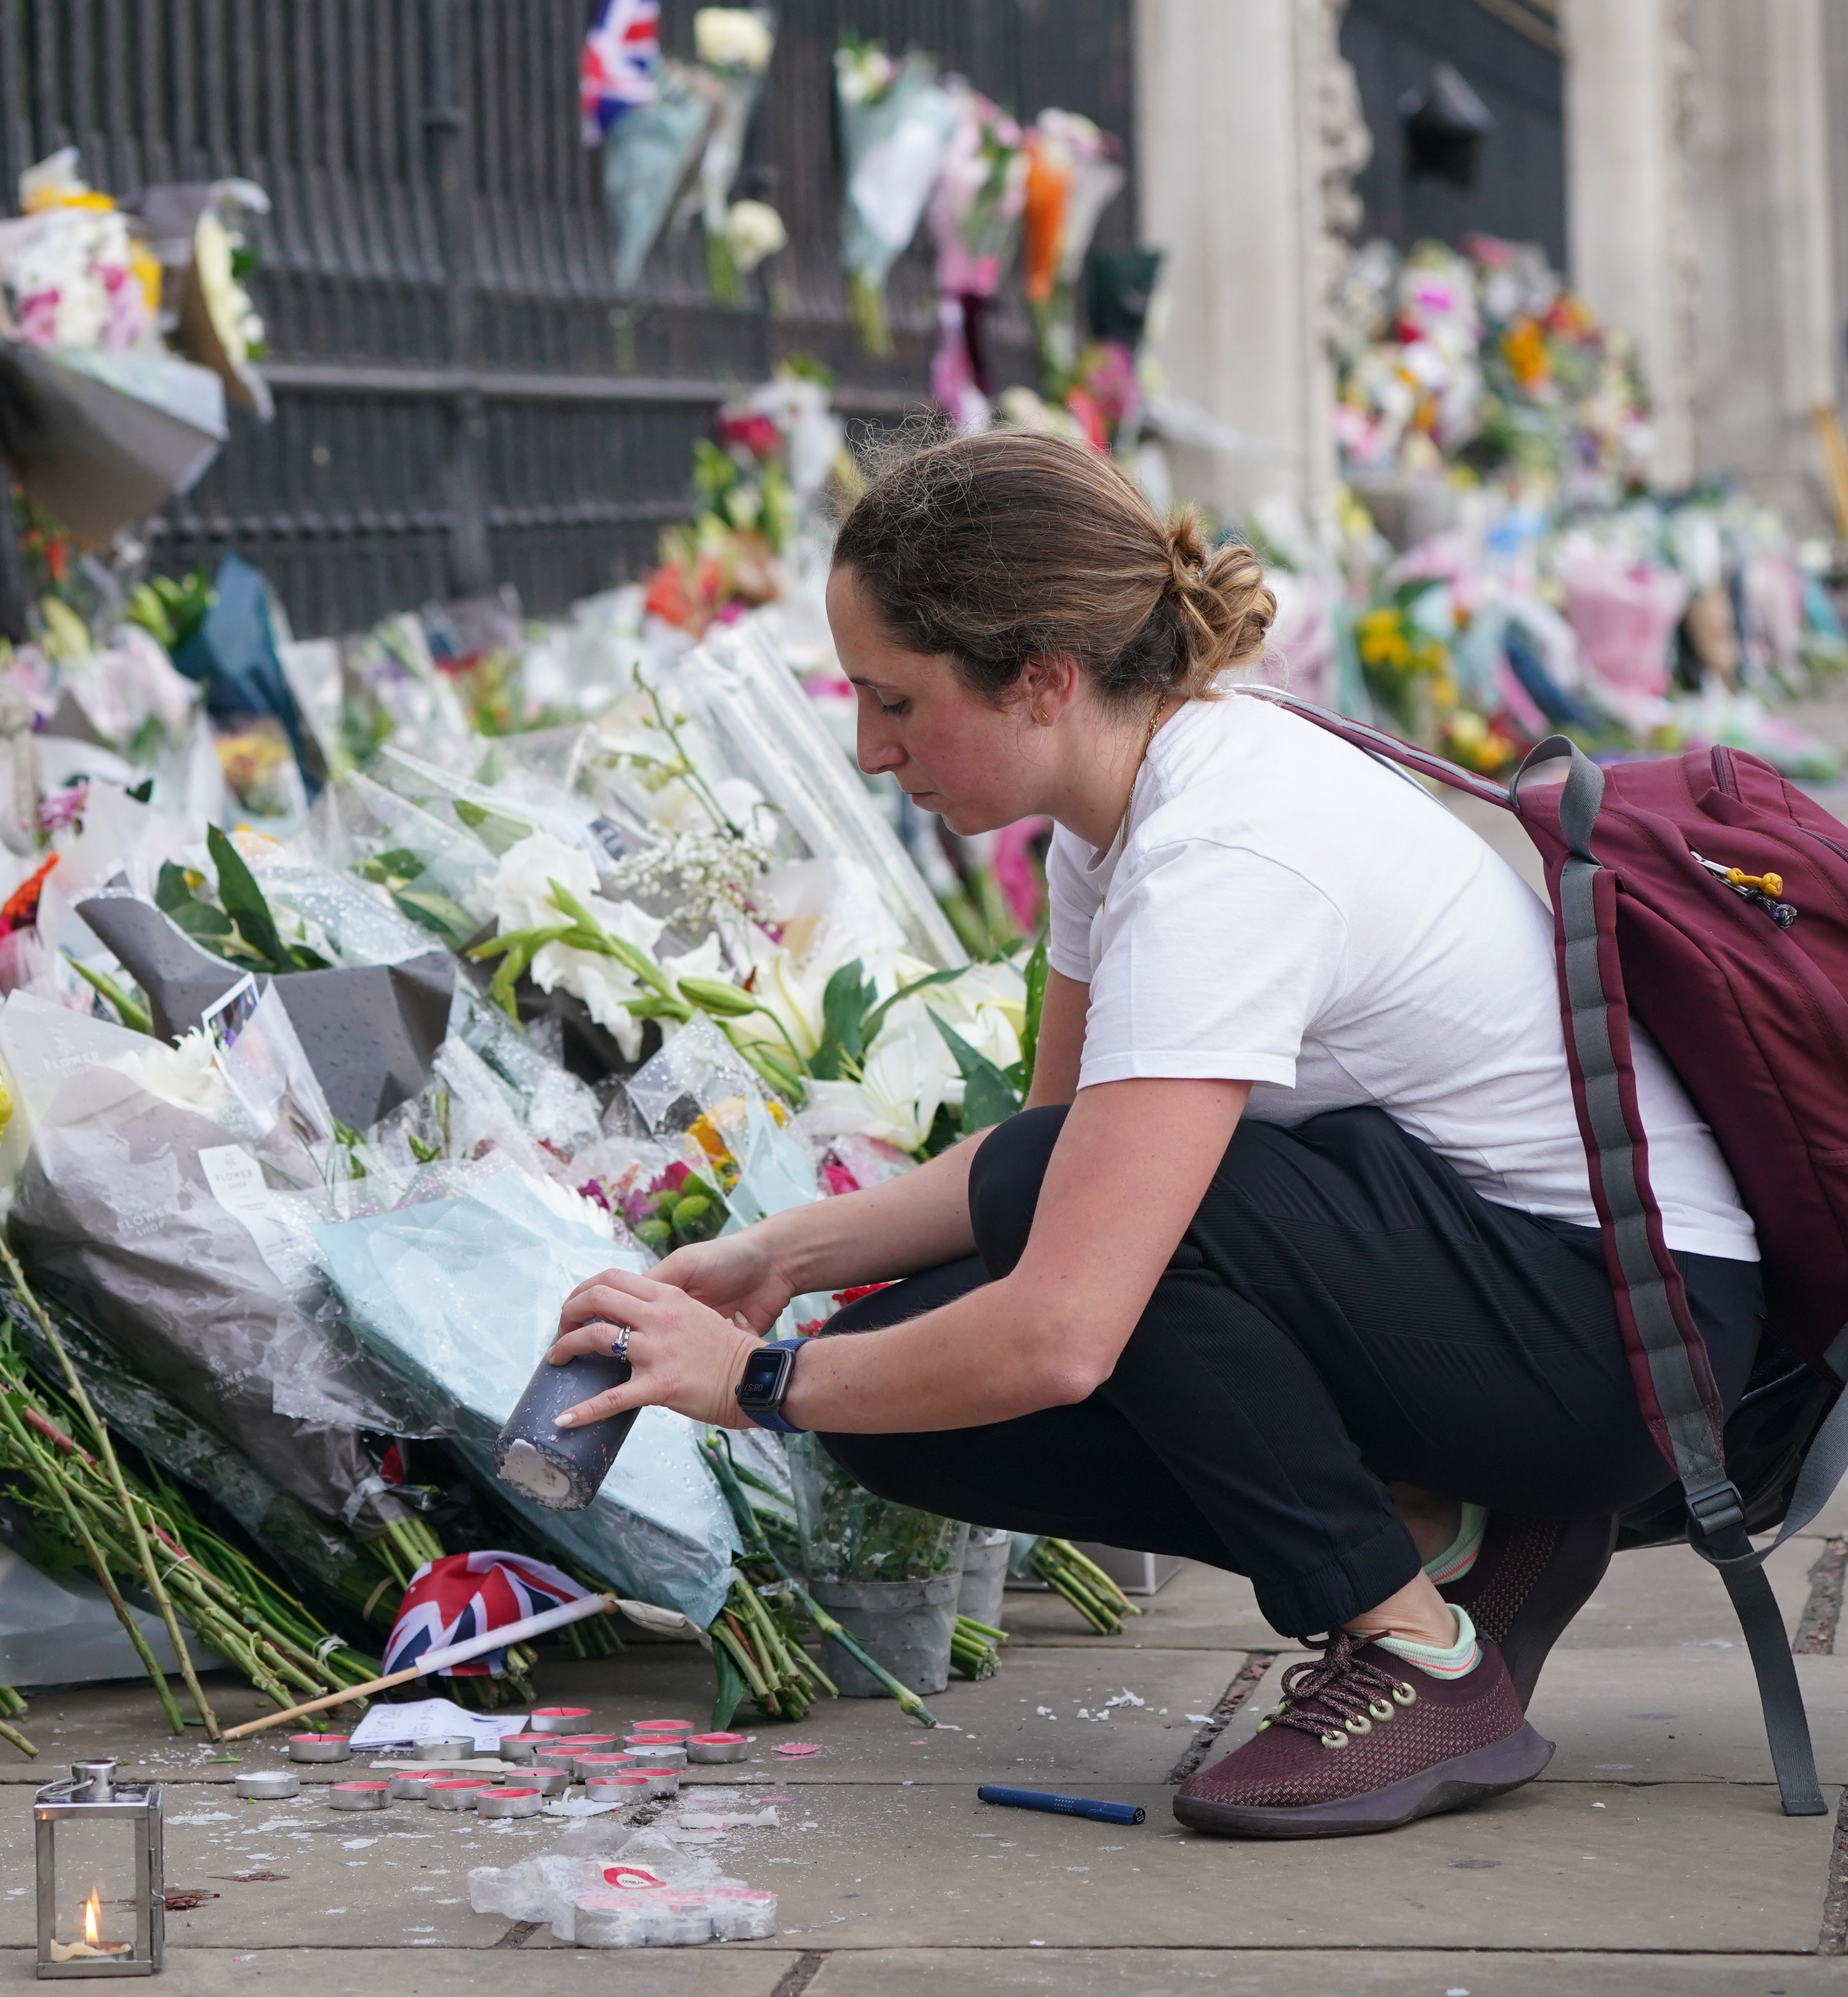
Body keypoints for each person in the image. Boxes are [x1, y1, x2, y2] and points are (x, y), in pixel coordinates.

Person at [544, 432, 1764, 1839]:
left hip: (1626, 1345)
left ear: (1042, 679)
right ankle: (1458, 1534)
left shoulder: (1219, 853)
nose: (872, 750)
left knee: (1052, 1281)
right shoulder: (1124, 804)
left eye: (896, 700)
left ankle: (1418, 1654)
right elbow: (1052, 1150)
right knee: (906, 1386)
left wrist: (756, 1381)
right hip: (1526, 1293)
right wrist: (778, 1260)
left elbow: (1065, 1329)